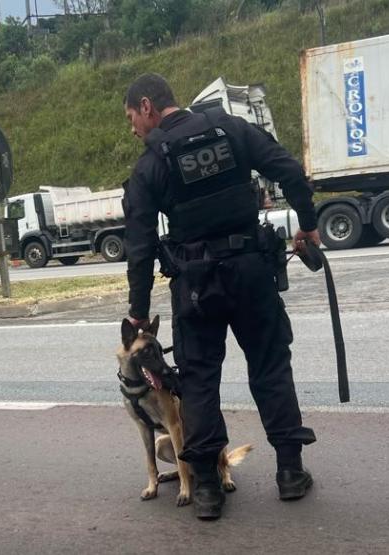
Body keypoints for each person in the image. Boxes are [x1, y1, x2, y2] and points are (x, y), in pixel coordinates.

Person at [121, 73, 320, 520]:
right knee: (270, 367)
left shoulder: (151, 163)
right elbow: (288, 169)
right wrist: (307, 223)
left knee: (198, 381)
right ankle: (290, 472)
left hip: (195, 286)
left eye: (132, 116)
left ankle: (208, 489)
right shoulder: (230, 129)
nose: (133, 127)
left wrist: (137, 312)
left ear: (148, 106)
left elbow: (139, 245)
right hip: (251, 272)